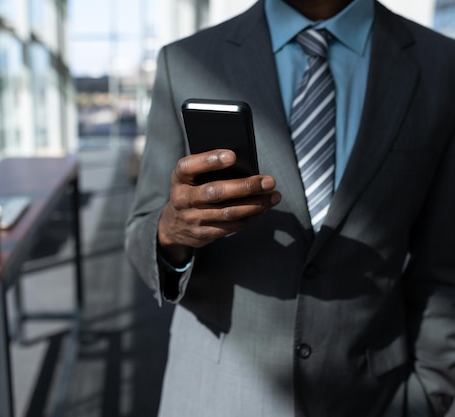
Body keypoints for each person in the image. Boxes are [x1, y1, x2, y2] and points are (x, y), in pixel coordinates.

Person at [124, 0, 455, 416]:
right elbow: (140, 232)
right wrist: (171, 234)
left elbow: (444, 263)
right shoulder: (187, 60)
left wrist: (432, 392)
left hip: (374, 397)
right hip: (216, 395)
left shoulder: (441, 65)